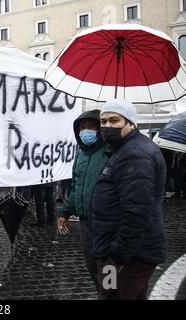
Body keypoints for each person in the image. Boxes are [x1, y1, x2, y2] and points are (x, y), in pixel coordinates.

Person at [90, 99, 166, 300]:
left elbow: (137, 214)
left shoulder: (135, 155)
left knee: (110, 295)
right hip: (126, 254)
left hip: (123, 258)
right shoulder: (123, 149)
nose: (107, 126)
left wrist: (116, 258)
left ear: (131, 123)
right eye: (103, 121)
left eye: (114, 120)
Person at [58, 110, 109, 292]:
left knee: (108, 270)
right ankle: (103, 295)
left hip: (106, 224)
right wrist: (65, 212)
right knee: (92, 266)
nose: (85, 131)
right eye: (81, 127)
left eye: (90, 126)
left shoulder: (110, 152)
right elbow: (76, 188)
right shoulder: (80, 156)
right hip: (85, 222)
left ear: (99, 129)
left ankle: (110, 296)